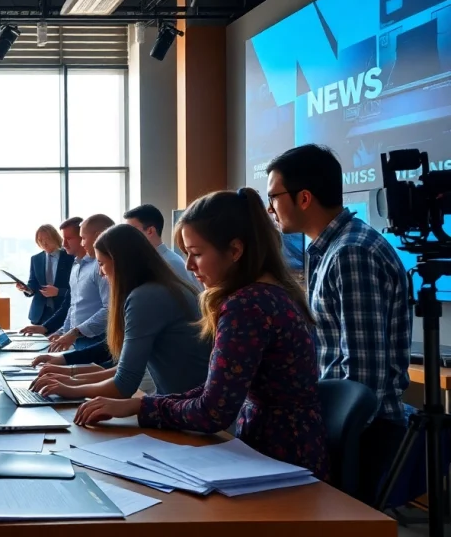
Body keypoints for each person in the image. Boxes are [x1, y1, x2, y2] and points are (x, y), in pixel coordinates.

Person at [72, 189, 329, 479]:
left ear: (234, 251)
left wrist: (140, 406)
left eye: (196, 254)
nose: (189, 266)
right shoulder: (270, 293)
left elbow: (212, 412)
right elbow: (215, 390)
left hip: (277, 458)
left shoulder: (246, 305)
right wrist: (140, 404)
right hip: (281, 447)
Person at [266, 144, 410, 498]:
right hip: (343, 422)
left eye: (274, 197)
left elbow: (363, 375)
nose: (270, 208)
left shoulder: (351, 252)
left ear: (303, 198)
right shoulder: (329, 248)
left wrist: (323, 435)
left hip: (359, 430)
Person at [29, 224, 208, 400]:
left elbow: (124, 384)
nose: (100, 273)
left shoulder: (145, 297)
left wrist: (69, 388)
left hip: (185, 410)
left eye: (101, 263)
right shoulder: (163, 287)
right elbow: (126, 369)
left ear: (120, 262)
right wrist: (70, 381)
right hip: (177, 404)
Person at [20, 214, 113, 353]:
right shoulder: (75, 266)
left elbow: (110, 309)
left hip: (96, 340)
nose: (64, 244)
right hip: (77, 339)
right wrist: (62, 331)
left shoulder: (100, 267)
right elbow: (72, 306)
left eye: (69, 238)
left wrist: (74, 332)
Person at [123, 204, 201, 289]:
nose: (127, 236)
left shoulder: (172, 264)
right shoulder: (143, 262)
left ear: (150, 231)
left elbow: (190, 299)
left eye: (132, 231)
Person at [20, 224, 74, 325]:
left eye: (47, 239)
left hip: (63, 312)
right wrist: (26, 288)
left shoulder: (70, 258)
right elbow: (33, 284)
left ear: (55, 237)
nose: (44, 243)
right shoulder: (35, 259)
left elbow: (76, 289)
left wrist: (58, 292)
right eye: (40, 240)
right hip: (39, 314)